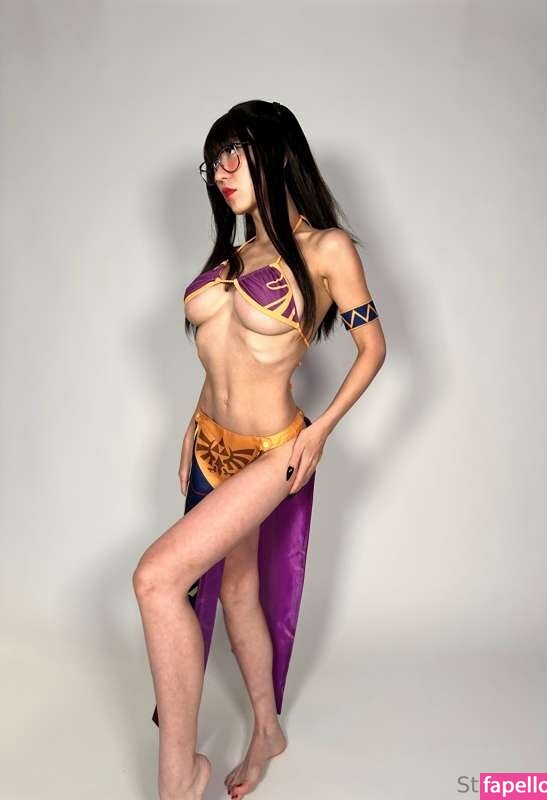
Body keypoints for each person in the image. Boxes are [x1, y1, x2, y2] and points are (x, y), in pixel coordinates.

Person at [132, 99, 386, 800]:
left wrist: (320, 430)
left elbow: (373, 348)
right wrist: (191, 425)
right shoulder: (236, 255)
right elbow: (221, 357)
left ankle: (179, 779)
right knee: (238, 589)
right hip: (209, 446)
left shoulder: (327, 250)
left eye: (234, 154)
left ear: (278, 154)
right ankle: (267, 730)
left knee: (156, 580)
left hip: (274, 451)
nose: (221, 171)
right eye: (213, 161)